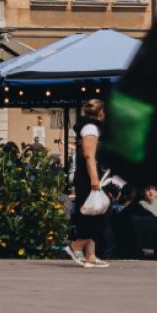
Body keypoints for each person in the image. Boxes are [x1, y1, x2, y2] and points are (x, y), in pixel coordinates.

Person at [65, 99, 111, 268]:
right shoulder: (91, 128)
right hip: (89, 178)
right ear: (101, 113)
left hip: (89, 177)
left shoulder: (91, 127)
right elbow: (89, 155)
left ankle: (90, 255)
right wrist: (94, 180)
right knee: (99, 215)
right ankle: (75, 246)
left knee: (93, 212)